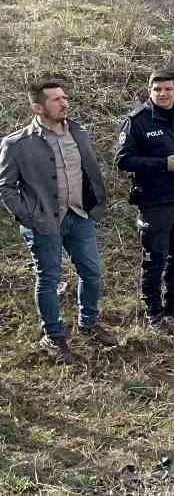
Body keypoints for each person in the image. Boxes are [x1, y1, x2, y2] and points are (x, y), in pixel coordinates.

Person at [0, 80, 116, 362]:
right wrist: (30, 216)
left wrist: (95, 203)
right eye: (56, 100)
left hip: (79, 217)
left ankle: (88, 322)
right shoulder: (16, 144)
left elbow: (90, 171)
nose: (64, 103)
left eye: (64, 97)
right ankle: (53, 335)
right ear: (37, 107)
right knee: (48, 279)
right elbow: (5, 186)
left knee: (92, 273)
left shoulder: (79, 132)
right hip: (43, 224)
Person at [116, 69, 174, 329]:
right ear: (149, 91)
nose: (163, 94)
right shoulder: (138, 121)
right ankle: (153, 310)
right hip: (155, 202)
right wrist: (161, 164)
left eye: (168, 89)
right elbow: (123, 160)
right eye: (157, 89)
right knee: (155, 258)